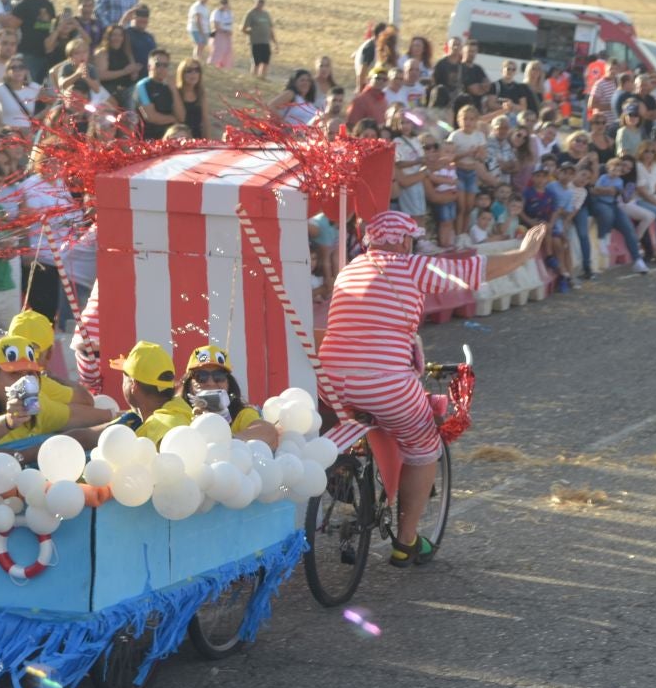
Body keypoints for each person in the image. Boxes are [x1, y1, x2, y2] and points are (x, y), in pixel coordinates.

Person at [320, 211, 546, 567]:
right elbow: (474, 270)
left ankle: (341, 471)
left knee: (349, 417)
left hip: (330, 379)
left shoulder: (350, 269)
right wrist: (523, 254)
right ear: (403, 240)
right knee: (423, 445)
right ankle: (406, 541)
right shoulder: (410, 266)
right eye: (411, 239)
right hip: (385, 382)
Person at [0, 334, 113, 448]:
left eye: (29, 374)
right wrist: (8, 421)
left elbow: (75, 415)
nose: (22, 382)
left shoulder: (34, 402)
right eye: (14, 374)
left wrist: (119, 417)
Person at [180, 346, 280, 446]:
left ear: (229, 383)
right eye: (201, 376)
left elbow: (268, 431)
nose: (210, 383)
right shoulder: (179, 411)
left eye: (218, 376)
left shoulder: (240, 414)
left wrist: (228, 441)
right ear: (189, 383)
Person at [242, 0, 276, 79]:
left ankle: (262, 78)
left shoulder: (266, 14)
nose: (261, 3)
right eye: (259, 2)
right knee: (256, 62)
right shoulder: (251, 13)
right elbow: (243, 28)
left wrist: (275, 43)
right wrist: (251, 33)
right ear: (255, 2)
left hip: (265, 42)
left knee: (265, 62)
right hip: (256, 42)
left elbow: (270, 29)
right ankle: (253, 79)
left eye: (262, 2)